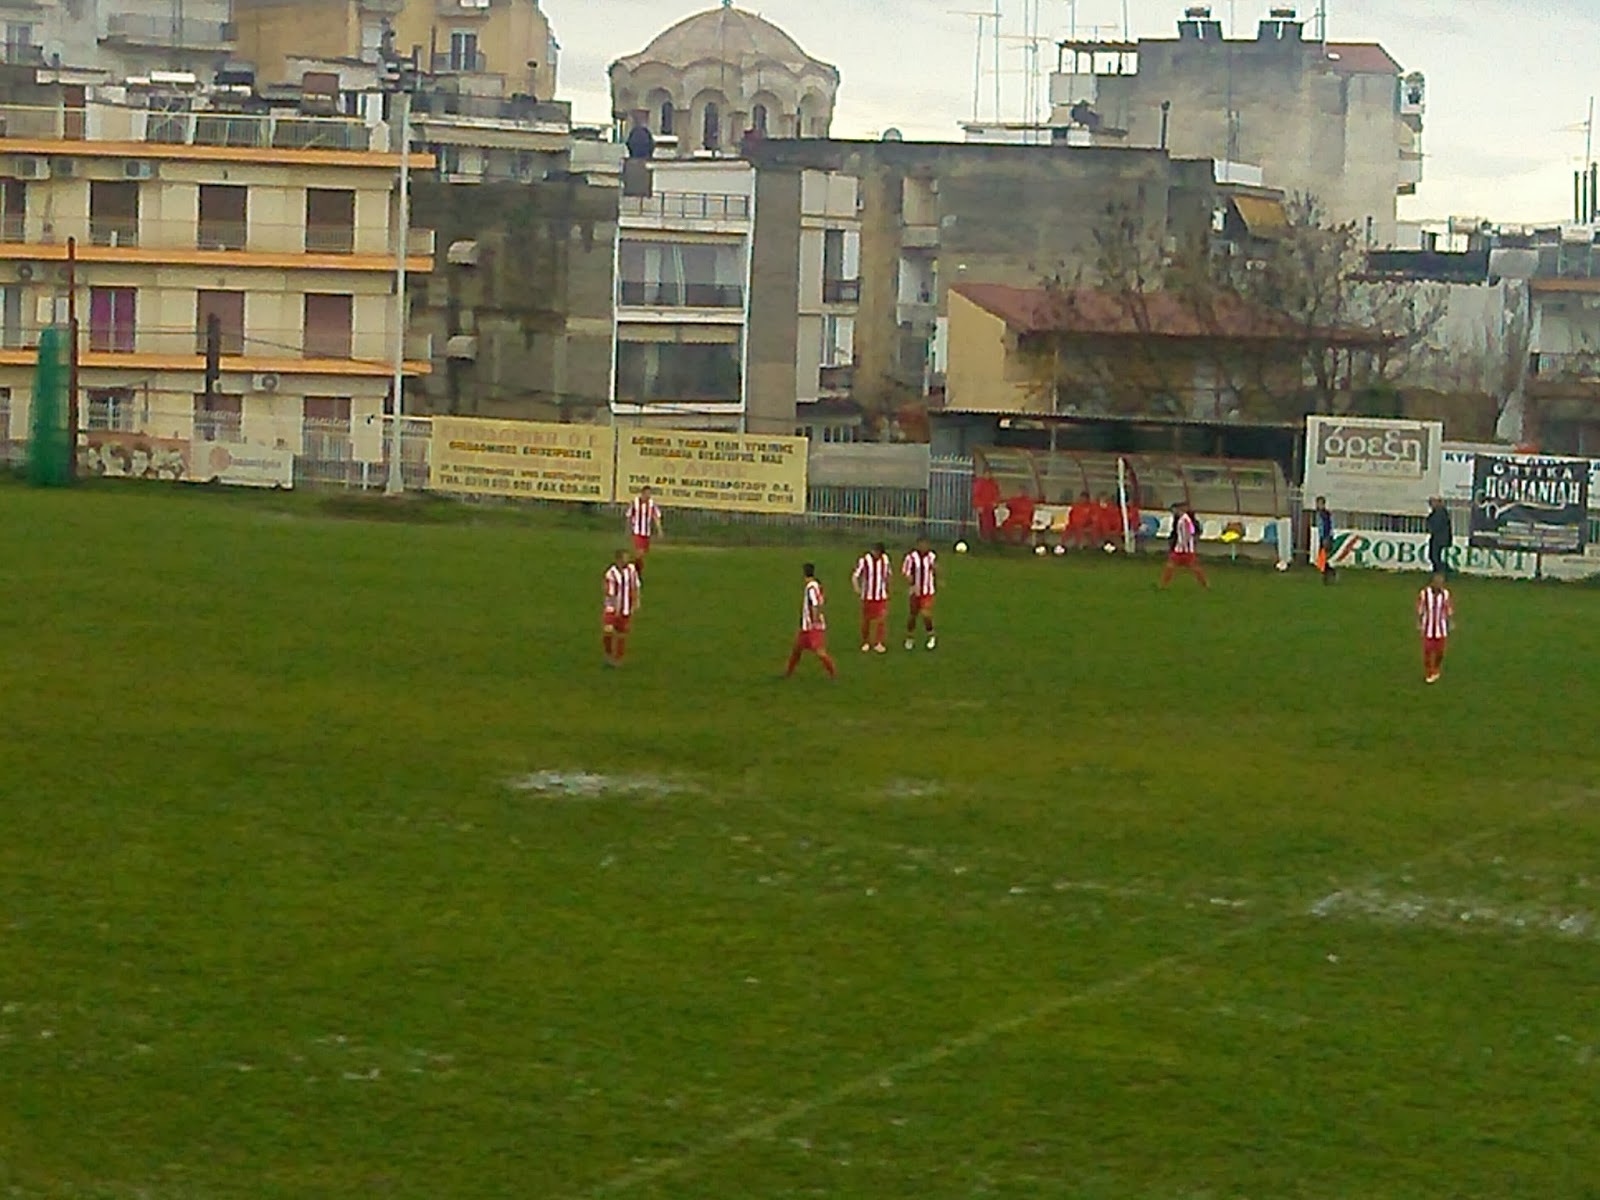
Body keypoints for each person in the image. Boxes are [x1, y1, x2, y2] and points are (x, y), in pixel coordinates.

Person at [784, 563, 837, 679]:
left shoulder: (811, 588)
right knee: (796, 650)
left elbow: (815, 604)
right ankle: (788, 673)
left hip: (811, 626)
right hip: (805, 627)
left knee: (820, 651)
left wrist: (814, 620)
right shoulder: (817, 585)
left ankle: (833, 673)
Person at [601, 549, 642, 667]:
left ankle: (618, 659)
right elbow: (610, 593)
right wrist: (615, 608)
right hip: (612, 607)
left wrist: (636, 601)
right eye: (625, 558)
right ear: (618, 560)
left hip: (626, 607)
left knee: (621, 633)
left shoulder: (631, 570)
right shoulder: (610, 573)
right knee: (608, 630)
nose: (627, 560)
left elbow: (636, 586)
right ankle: (608, 654)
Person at [851, 541, 893, 654]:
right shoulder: (864, 560)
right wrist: (857, 588)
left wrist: (888, 589)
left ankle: (878, 642)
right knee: (866, 620)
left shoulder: (885, 560)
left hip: (881, 596)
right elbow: (855, 576)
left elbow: (888, 575)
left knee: (881, 619)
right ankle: (865, 642)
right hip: (867, 596)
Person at [1158, 501, 1210, 590]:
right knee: (1170, 566)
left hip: (1186, 549)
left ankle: (1205, 585)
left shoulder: (1186, 519)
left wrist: (1187, 540)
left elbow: (1192, 531)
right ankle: (1162, 586)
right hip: (1179, 548)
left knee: (1194, 567)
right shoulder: (1179, 519)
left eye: (1174, 510)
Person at [1415, 570, 1454, 684]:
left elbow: (1448, 608)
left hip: (1440, 628)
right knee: (1427, 651)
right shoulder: (1424, 593)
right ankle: (1429, 672)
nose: (1438, 584)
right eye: (1436, 582)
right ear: (1432, 582)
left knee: (1440, 652)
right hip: (1427, 627)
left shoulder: (1445, 594)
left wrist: (1450, 622)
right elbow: (1420, 608)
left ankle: (1436, 668)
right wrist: (1418, 622)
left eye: (1441, 582)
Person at [902, 535, 938, 651]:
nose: (923, 546)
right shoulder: (911, 557)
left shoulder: (931, 556)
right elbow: (906, 571)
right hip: (915, 591)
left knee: (925, 613)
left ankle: (931, 635)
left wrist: (937, 575)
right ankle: (909, 637)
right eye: (921, 544)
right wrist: (910, 580)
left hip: (927, 591)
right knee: (913, 615)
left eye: (925, 544)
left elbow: (934, 568)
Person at [626, 486, 663, 568]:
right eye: (647, 493)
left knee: (641, 554)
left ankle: (632, 568)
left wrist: (659, 529)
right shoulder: (635, 502)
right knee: (640, 553)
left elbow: (656, 517)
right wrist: (628, 528)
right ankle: (634, 570)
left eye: (650, 493)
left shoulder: (652, 504)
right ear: (643, 493)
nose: (649, 495)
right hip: (637, 532)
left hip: (646, 533)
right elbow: (629, 515)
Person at [1425, 497, 1452, 575]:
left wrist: (1430, 526)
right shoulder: (1440, 512)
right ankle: (1439, 570)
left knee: (1434, 555)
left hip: (1439, 538)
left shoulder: (1439, 512)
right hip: (1439, 537)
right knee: (1434, 555)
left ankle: (1440, 570)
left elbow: (1436, 525)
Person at [1313, 495, 1336, 583]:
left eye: (1319, 503)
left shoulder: (1325, 514)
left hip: (1325, 537)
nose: (1318, 505)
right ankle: (1328, 572)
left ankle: (1328, 573)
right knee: (1322, 557)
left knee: (1323, 556)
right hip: (1323, 536)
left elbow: (1327, 526)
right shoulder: (1320, 513)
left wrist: (1327, 536)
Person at [972, 472, 1001, 543]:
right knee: (984, 522)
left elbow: (996, 494)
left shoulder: (993, 483)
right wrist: (978, 505)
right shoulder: (979, 483)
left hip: (990, 506)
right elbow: (976, 495)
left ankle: (991, 537)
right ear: (983, 474)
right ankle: (984, 538)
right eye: (986, 474)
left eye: (989, 474)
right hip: (982, 506)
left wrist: (995, 502)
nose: (988, 476)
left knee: (991, 522)